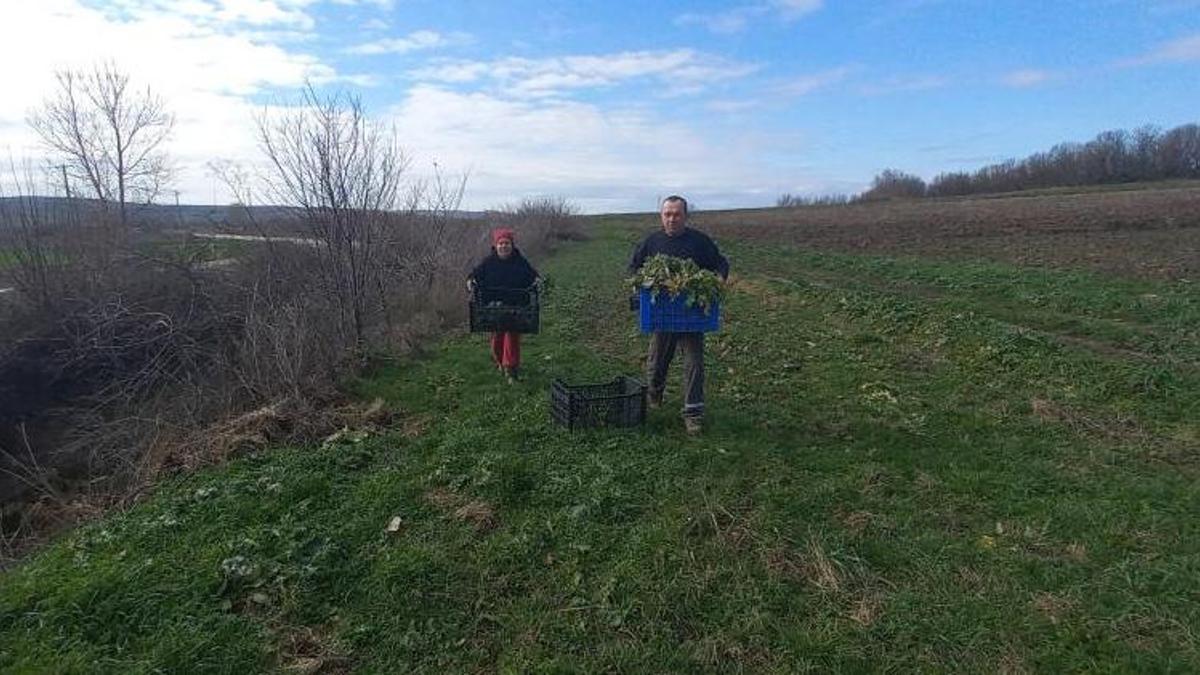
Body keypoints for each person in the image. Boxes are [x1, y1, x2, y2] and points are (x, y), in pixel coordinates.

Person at [628, 195, 729, 435]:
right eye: (667, 214)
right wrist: (638, 283)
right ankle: (655, 394)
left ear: (685, 216)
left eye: (677, 214)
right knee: (657, 359)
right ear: (661, 216)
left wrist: (719, 278)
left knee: (694, 362)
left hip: (692, 314)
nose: (672, 219)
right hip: (662, 312)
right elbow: (633, 267)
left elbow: (720, 263)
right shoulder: (652, 242)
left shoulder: (699, 241)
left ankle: (693, 413)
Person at [467, 227, 541, 383]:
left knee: (512, 335)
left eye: (507, 243)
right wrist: (470, 281)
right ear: (496, 245)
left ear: (512, 245)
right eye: (501, 243)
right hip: (494, 307)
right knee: (498, 338)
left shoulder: (520, 261)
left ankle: (511, 368)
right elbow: (474, 275)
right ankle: (501, 362)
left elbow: (533, 275)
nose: (504, 246)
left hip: (516, 306)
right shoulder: (488, 262)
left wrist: (537, 281)